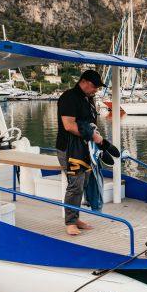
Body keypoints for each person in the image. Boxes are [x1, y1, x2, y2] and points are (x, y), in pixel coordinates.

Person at [55, 70, 105, 236]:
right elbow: (69, 125)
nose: (96, 90)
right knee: (75, 183)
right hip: (69, 147)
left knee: (84, 182)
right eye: (94, 87)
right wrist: (93, 135)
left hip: (84, 147)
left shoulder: (87, 98)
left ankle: (75, 218)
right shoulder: (69, 98)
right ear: (83, 82)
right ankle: (69, 222)